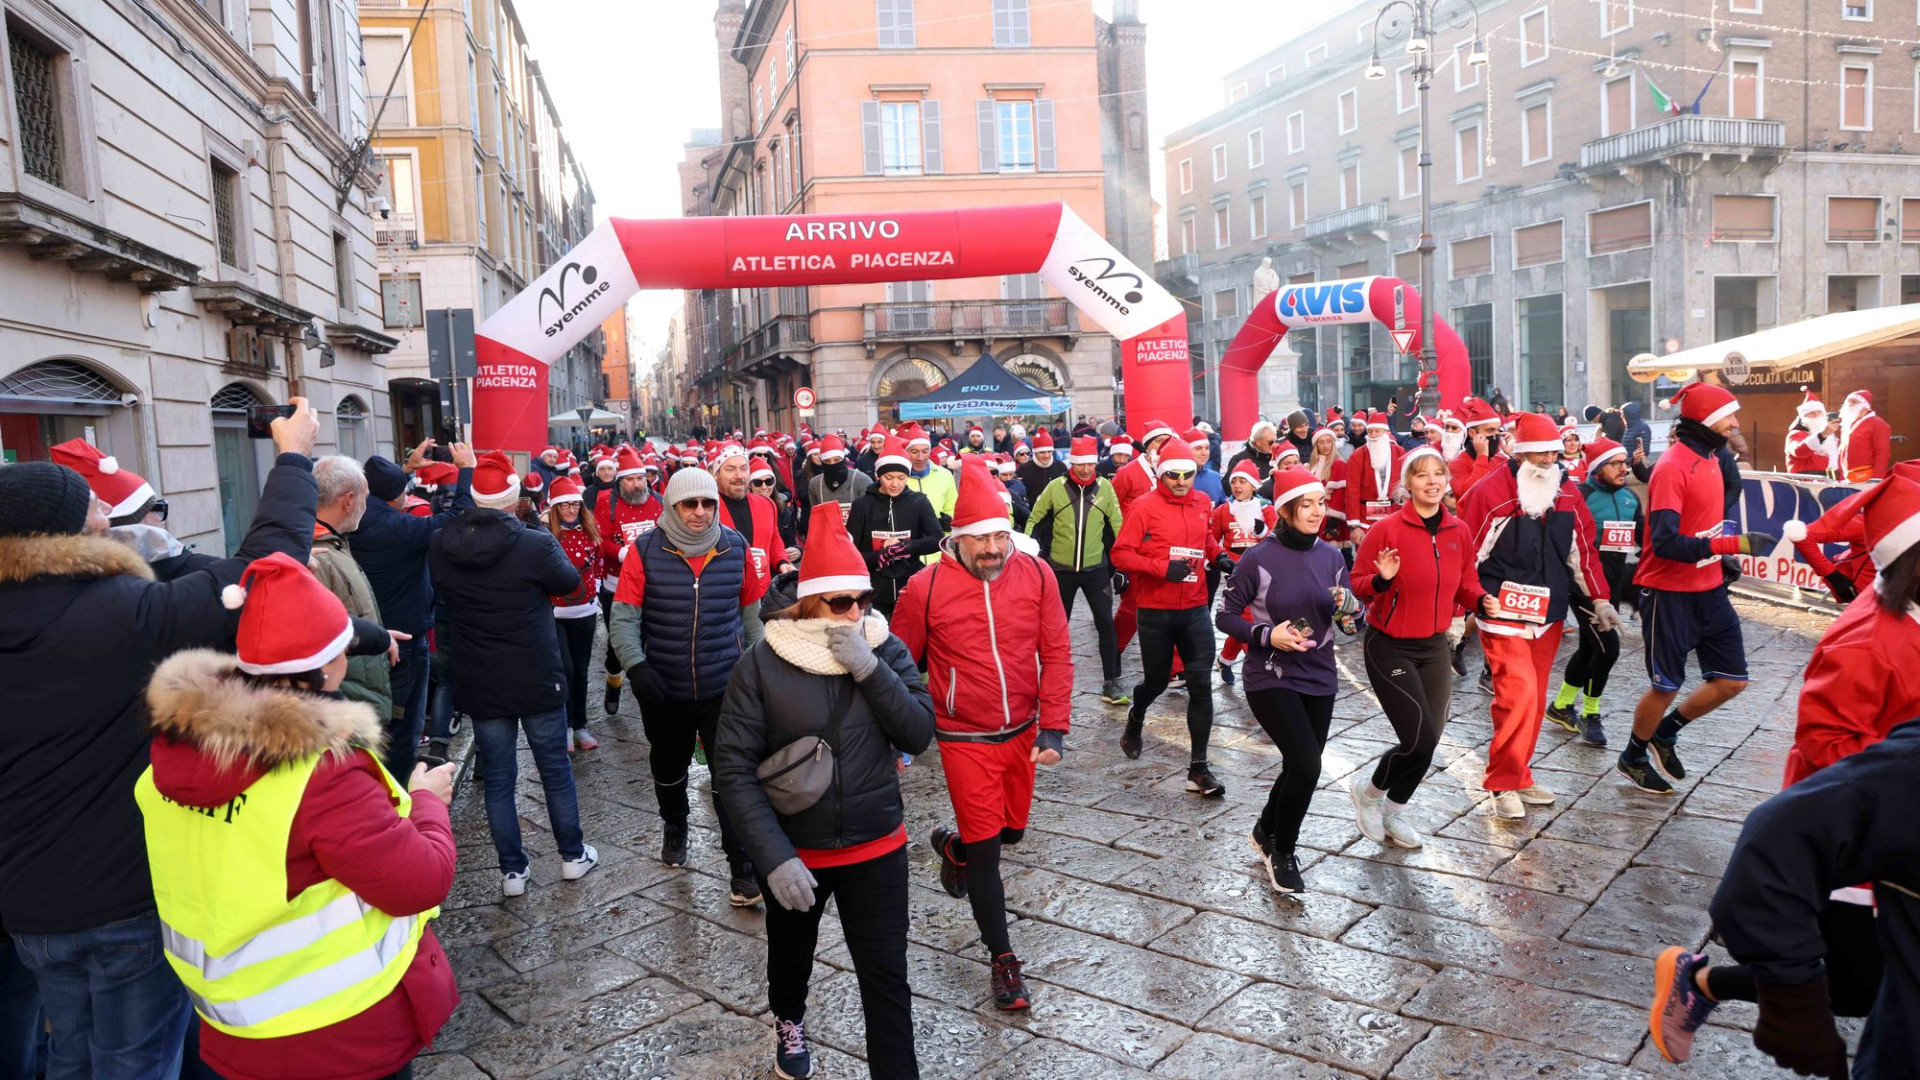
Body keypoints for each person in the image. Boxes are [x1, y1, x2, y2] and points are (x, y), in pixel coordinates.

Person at [0, 399, 320, 1080]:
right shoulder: (121, 611)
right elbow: (269, 575)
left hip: (27, 904)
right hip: (125, 897)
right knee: (135, 1062)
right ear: (65, 529)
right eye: (89, 502)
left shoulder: (113, 605)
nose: (104, 508)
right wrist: (291, 458)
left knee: (69, 1054)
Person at [136, 551, 460, 1080]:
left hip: (229, 1022)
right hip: (335, 1033)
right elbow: (420, 881)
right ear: (328, 665)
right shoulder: (322, 773)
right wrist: (425, 800)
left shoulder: (171, 755)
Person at [711, 503, 934, 1080]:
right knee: (791, 958)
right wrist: (773, 858)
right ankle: (789, 1020)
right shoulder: (760, 663)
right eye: (842, 602)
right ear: (810, 601)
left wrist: (869, 668)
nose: (857, 612)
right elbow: (731, 769)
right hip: (796, 849)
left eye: (864, 599)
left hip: (877, 844)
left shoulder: (881, 646)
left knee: (886, 977)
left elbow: (917, 732)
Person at [895, 458, 1071, 1013]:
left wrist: (1056, 727)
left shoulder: (1038, 574)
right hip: (962, 736)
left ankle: (954, 847)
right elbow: (900, 665)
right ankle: (1003, 961)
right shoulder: (924, 589)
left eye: (1000, 535)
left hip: (1021, 730)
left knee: (1011, 833)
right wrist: (901, 732)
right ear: (957, 539)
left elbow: (1058, 652)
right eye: (980, 539)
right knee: (992, 854)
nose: (993, 548)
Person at [1653, 721, 1920, 1079]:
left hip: (1873, 845)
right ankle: (1701, 982)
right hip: (1854, 848)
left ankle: (1704, 983)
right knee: (1857, 982)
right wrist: (1793, 1001)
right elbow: (1821, 743)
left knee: (1865, 985)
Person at [429, 451, 597, 895]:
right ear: (513, 496)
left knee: (500, 779)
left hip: (481, 679)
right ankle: (572, 856)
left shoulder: (442, 543)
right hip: (536, 672)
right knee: (554, 770)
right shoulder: (533, 542)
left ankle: (513, 873)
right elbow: (570, 584)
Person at [609, 467, 761, 904]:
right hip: (665, 686)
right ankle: (675, 824)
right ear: (672, 506)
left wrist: (755, 671)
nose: (699, 512)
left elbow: (752, 618)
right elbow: (623, 617)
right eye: (689, 504)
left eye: (707, 503)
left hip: (724, 686)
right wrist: (637, 668)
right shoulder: (645, 550)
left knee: (731, 775)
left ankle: (741, 864)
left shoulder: (735, 548)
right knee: (669, 765)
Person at [1618, 382, 1775, 794]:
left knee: (1732, 681)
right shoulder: (1672, 466)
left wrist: (1723, 554)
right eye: (1728, 415)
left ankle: (1664, 734)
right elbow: (1667, 542)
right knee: (1665, 686)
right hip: (1668, 592)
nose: (1735, 422)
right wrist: (1731, 544)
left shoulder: (1714, 458)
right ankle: (1632, 757)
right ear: (1705, 419)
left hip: (1710, 589)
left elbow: (1709, 516)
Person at [1456, 414, 1614, 819]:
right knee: (1517, 693)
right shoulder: (1490, 492)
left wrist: (1599, 599)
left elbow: (1583, 549)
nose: (1548, 459)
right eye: (1539, 452)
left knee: (1536, 696)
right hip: (1500, 606)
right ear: (1519, 451)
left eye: (1554, 452)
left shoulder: (1568, 493)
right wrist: (1458, 615)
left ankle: (1520, 773)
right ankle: (1502, 780)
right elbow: (1465, 554)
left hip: (1549, 610)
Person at [1217, 467, 1355, 890]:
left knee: (1298, 765)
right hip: (1270, 675)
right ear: (1286, 509)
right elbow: (1224, 615)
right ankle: (1283, 851)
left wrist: (1352, 608)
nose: (1317, 511)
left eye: (1321, 503)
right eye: (1307, 504)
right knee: (1308, 765)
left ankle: (1263, 831)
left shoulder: (1332, 557)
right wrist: (1266, 634)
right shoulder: (1259, 558)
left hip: (1320, 674)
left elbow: (1352, 621)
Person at [1349, 449, 1495, 844]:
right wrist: (1381, 579)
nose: (1432, 481)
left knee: (1429, 739)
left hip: (1434, 647)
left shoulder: (1458, 531)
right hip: (1390, 646)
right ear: (1407, 484)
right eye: (1422, 475)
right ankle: (1369, 792)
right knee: (1418, 739)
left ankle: (1394, 813)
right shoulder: (1387, 530)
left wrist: (1481, 600)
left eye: (1439, 474)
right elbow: (1358, 585)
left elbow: (1466, 582)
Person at [1110, 439, 1233, 795]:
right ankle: (1137, 715)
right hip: (1156, 610)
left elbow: (1205, 538)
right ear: (1162, 475)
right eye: (1174, 475)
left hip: (1194, 607)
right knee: (1157, 683)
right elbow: (1120, 554)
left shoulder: (1202, 502)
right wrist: (1161, 568)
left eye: (1188, 475)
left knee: (1200, 684)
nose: (1181, 481)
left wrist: (1219, 555)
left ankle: (1198, 768)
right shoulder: (1144, 507)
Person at [349, 441, 476, 779]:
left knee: (372, 720)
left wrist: (406, 469)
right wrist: (467, 470)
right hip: (404, 638)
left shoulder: (354, 518)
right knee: (404, 725)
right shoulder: (398, 528)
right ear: (394, 497)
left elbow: (383, 488)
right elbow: (456, 517)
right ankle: (399, 795)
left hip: (361, 634)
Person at [1545, 437, 1640, 748]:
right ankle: (1591, 713)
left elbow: (1644, 538)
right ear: (1598, 467)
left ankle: (1560, 706)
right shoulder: (1580, 495)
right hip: (1583, 584)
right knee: (1608, 648)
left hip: (1611, 584)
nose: (1624, 468)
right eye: (1615, 463)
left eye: (1625, 463)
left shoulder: (1630, 498)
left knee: (1590, 648)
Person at [1026, 435, 1129, 704]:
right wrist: (1030, 557)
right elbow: (1034, 520)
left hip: (1096, 569)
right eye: (1080, 464)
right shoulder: (1055, 487)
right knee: (1055, 628)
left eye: (1090, 464)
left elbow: (1118, 526)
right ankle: (1046, 682)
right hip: (1061, 571)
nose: (1085, 469)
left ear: (1096, 463)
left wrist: (1123, 565)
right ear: (1072, 463)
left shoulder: (1106, 487)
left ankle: (1111, 682)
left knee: (1106, 623)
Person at [306, 456, 397, 731]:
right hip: (346, 706)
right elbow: (315, 635)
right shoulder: (316, 555)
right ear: (348, 501)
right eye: (365, 499)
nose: (366, 507)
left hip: (357, 694)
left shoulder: (331, 544)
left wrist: (378, 635)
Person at [593, 444, 663, 714]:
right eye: (631, 479)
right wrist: (624, 553)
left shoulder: (658, 501)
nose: (636, 484)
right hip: (617, 586)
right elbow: (601, 541)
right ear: (621, 481)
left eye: (640, 478)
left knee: (651, 638)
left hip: (653, 584)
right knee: (617, 644)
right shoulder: (605, 503)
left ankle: (650, 688)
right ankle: (613, 680)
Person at [847, 436, 943, 619]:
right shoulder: (862, 505)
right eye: (888, 477)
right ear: (878, 476)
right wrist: (879, 557)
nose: (895, 484)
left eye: (901, 477)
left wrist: (907, 546)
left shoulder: (919, 501)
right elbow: (850, 552)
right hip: (873, 591)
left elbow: (936, 539)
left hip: (910, 584)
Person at [545, 476, 604, 751]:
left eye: (575, 505)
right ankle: (566, 725)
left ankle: (581, 725)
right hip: (555, 612)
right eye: (564, 505)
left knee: (580, 671)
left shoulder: (590, 530)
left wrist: (598, 589)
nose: (570, 510)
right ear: (555, 508)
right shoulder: (545, 534)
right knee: (564, 669)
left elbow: (599, 562)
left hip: (585, 610)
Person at [714, 442, 788, 649]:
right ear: (716, 474)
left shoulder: (766, 504)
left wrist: (782, 562)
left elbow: (773, 539)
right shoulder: (708, 508)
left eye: (743, 468)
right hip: (726, 598)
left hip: (763, 593)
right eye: (730, 469)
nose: (739, 475)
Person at [1212, 460, 1277, 686]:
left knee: (1244, 618)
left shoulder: (1267, 509)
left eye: (1242, 481)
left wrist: (1265, 531)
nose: (1237, 486)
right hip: (1235, 570)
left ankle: (1225, 659)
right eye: (1234, 482)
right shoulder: (1222, 510)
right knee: (1247, 616)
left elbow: (1276, 537)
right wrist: (1219, 559)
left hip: (1262, 569)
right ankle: (1257, 663)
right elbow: (1211, 539)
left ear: (1253, 485)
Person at [1344, 412, 1407, 540]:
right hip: (1365, 519)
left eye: (1378, 431)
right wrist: (1354, 526)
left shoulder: (1399, 452)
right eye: (1370, 431)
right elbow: (1352, 490)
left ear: (1386, 432)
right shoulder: (1358, 455)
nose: (1373, 435)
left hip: (1394, 515)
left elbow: (1405, 484)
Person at [899, 424, 958, 531]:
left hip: (939, 543)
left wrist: (949, 520)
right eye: (914, 452)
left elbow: (953, 508)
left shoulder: (945, 475)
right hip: (908, 544)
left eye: (925, 451)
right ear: (905, 452)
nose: (920, 457)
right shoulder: (897, 478)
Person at [804, 436, 871, 529]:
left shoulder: (861, 480)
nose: (832, 464)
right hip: (828, 539)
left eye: (836, 460)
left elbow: (869, 517)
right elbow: (816, 518)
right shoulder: (815, 484)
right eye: (827, 461)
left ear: (843, 459)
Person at [1839, 389, 1893, 481]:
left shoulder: (1877, 423)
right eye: (1849, 402)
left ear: (1865, 405)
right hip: (1848, 477)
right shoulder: (1847, 424)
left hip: (1867, 478)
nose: (1850, 404)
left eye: (1854, 402)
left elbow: (1882, 453)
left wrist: (1876, 478)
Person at [1016, 428, 1066, 497]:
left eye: (1049, 451)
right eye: (1042, 452)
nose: (1046, 455)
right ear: (1035, 452)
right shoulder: (1023, 470)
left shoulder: (1061, 467)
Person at [1186, 427, 1226, 506]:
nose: (1204, 453)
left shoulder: (1215, 476)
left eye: (1207, 448)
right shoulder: (1176, 478)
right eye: (1198, 448)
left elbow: (1221, 508)